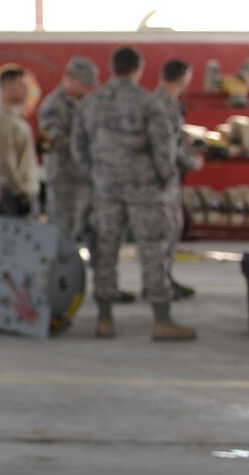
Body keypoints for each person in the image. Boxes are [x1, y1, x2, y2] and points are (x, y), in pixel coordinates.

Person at [73, 47, 194, 341]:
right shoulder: (149, 104)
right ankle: (161, 320)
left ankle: (105, 319)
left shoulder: (90, 104)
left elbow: (77, 148)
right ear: (138, 69)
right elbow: (163, 149)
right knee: (153, 250)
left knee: (104, 250)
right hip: (145, 190)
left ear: (112, 68)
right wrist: (165, 181)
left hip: (106, 189)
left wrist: (96, 175)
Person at [37, 55, 99, 252]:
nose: (88, 89)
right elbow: (52, 142)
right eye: (85, 83)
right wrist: (87, 147)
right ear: (70, 78)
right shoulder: (53, 106)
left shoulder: (83, 103)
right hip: (65, 180)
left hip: (83, 179)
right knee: (62, 232)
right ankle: (53, 278)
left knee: (85, 230)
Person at [155, 58, 203, 300]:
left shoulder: (164, 104)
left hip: (166, 180)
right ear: (183, 77)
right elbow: (167, 149)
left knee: (171, 233)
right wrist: (193, 162)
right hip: (162, 182)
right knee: (164, 234)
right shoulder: (162, 106)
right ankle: (158, 285)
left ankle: (165, 281)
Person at [0, 67, 39, 216]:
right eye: (21, 85)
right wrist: (19, 192)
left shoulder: (14, 116)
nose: (26, 90)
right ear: (6, 87)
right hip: (12, 194)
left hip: (25, 189)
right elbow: (3, 160)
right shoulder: (1, 118)